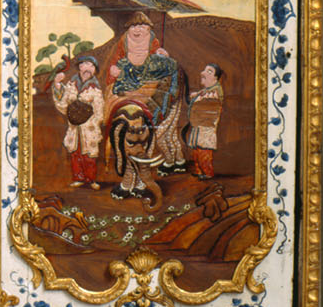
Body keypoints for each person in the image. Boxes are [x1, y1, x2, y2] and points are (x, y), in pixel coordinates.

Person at [103, 13, 187, 201]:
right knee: (123, 129)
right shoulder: (124, 43)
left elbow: (164, 68)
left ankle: (140, 181)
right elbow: (116, 62)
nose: (138, 30)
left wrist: (162, 55)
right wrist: (114, 71)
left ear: (149, 29)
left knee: (146, 133)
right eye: (134, 26)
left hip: (151, 90)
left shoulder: (153, 44)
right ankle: (127, 180)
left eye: (142, 26)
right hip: (126, 87)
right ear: (128, 29)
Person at [50, 53, 105, 186]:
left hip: (89, 127)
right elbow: (63, 104)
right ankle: (78, 178)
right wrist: (57, 85)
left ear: (94, 70)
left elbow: (99, 110)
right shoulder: (71, 85)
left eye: (91, 66)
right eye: (85, 65)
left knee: (89, 154)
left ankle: (90, 179)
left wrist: (92, 122)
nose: (88, 69)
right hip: (74, 126)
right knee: (75, 152)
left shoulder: (95, 89)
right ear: (80, 67)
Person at [187, 62, 225, 178]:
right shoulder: (205, 92)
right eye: (205, 70)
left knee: (204, 149)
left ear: (215, 78)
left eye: (209, 71)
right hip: (198, 126)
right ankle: (199, 171)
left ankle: (207, 172)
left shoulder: (214, 92)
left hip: (205, 127)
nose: (203, 73)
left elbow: (207, 108)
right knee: (196, 149)